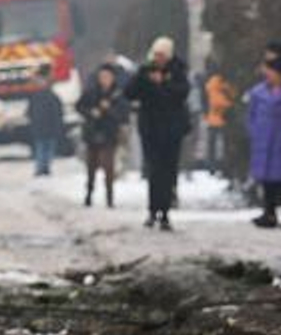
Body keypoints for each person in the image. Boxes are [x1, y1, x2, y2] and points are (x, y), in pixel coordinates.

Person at [125, 36, 190, 230]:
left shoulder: (178, 70)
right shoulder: (145, 71)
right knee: (153, 170)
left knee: (168, 170)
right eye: (156, 54)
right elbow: (129, 93)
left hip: (172, 129)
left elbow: (182, 93)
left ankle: (166, 212)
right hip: (151, 128)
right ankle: (153, 210)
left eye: (162, 55)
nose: (159, 58)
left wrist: (163, 84)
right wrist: (144, 78)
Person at [247, 54, 281, 227]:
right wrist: (254, 131)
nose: (267, 75)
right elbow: (251, 115)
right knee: (266, 180)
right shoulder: (258, 92)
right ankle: (269, 213)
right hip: (263, 140)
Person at [76, 64, 127, 208]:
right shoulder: (91, 92)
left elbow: (123, 114)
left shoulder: (118, 94)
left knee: (108, 167)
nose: (105, 79)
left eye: (107, 77)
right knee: (91, 166)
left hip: (109, 134)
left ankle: (110, 197)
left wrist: (109, 110)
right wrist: (91, 112)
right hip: (92, 133)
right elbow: (79, 106)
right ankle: (89, 194)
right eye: (102, 77)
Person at [26, 63, 64, 177]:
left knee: (46, 148)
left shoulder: (47, 96)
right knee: (42, 148)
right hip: (42, 128)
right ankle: (42, 168)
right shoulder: (42, 96)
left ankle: (44, 167)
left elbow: (58, 113)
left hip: (46, 127)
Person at [204, 61, 235, 175]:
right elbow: (221, 99)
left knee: (213, 144)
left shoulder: (210, 83)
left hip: (214, 118)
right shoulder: (222, 84)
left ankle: (213, 166)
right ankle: (221, 166)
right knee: (223, 144)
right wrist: (229, 105)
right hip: (222, 117)